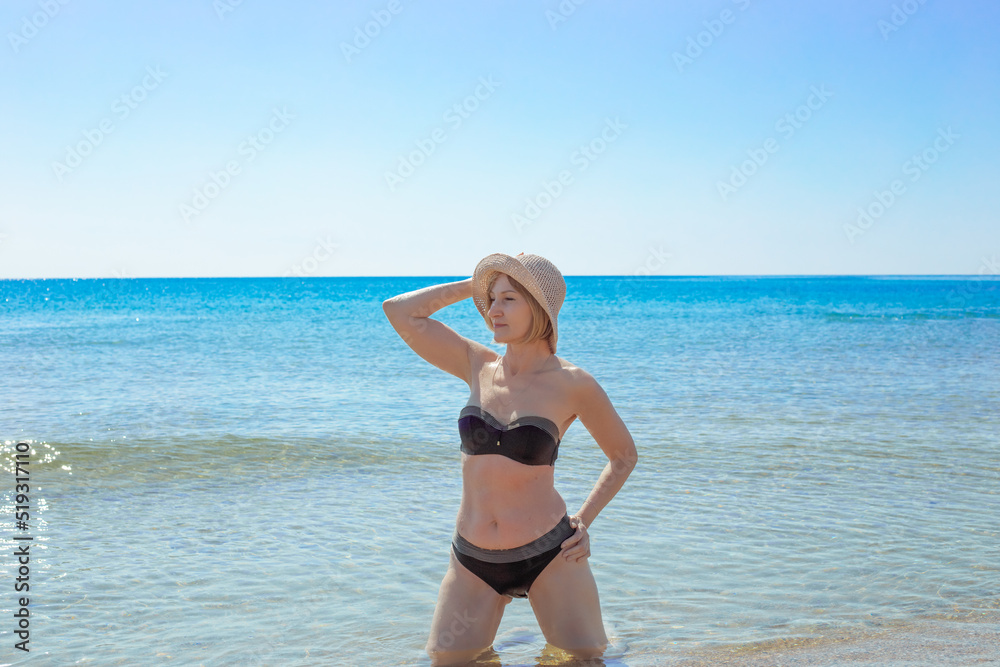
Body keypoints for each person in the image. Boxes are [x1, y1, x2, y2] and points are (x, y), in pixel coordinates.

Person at [382, 252, 638, 665]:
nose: (492, 311)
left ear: (538, 307)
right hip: (473, 559)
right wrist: (475, 285)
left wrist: (584, 522)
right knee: (447, 660)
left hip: (550, 554)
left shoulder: (573, 384)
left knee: (587, 659)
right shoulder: (476, 364)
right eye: (491, 299)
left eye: (508, 300)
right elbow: (400, 312)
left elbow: (623, 456)